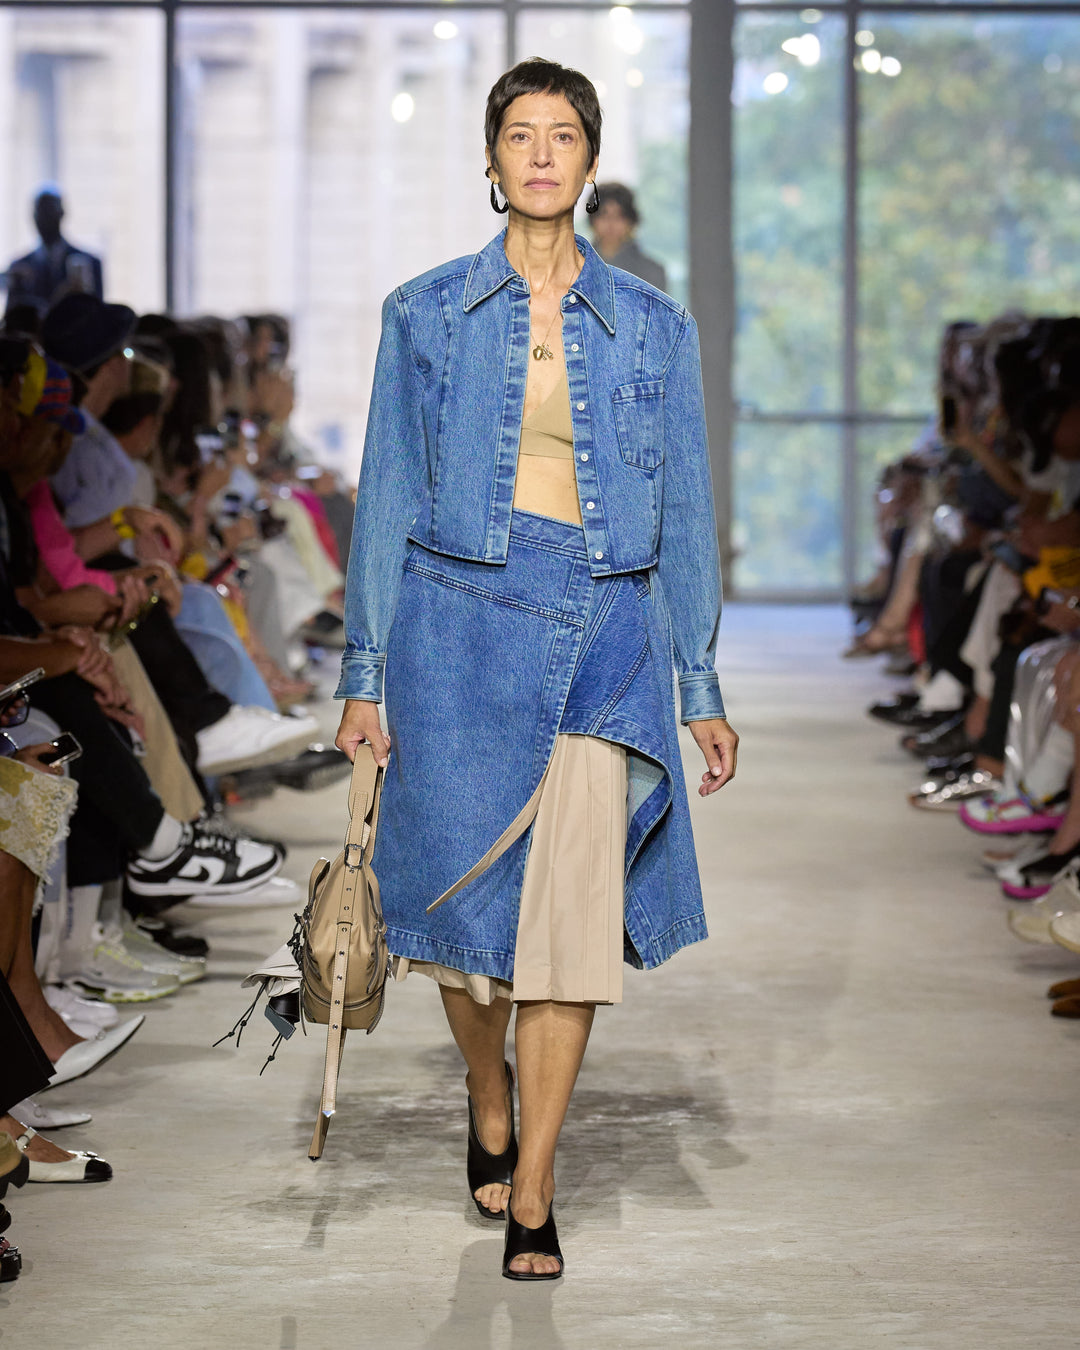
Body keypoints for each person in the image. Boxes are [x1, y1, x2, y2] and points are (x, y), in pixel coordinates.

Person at [335, 58, 738, 1281]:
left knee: (568, 929)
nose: (544, 154)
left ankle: (538, 1183)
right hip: (457, 635)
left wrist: (698, 683)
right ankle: (487, 1090)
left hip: (604, 635)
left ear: (592, 162)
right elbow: (388, 495)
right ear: (493, 159)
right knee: (465, 940)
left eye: (565, 135)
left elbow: (685, 511)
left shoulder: (655, 327)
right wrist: (364, 671)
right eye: (523, 134)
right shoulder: (424, 315)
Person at [4, 189, 103, 314]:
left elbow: (98, 316)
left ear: (61, 214)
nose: (43, 219)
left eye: (48, 212)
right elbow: (11, 318)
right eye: (39, 212)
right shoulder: (19, 267)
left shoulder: (90, 264)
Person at [589, 181, 668, 293]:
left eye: (618, 216)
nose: (610, 223)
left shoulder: (652, 272)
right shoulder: (577, 268)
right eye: (603, 215)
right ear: (592, 220)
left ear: (631, 222)